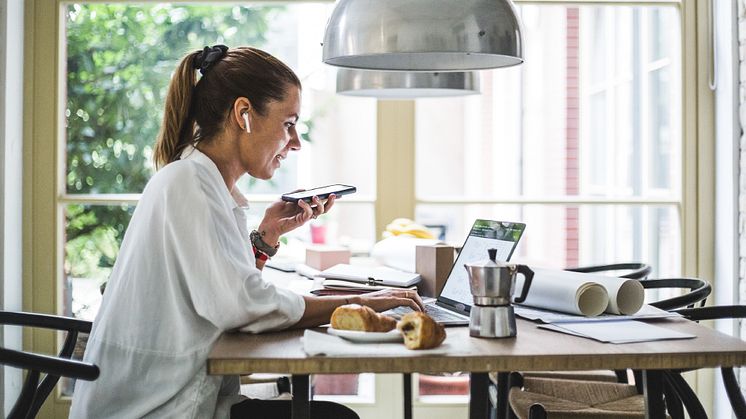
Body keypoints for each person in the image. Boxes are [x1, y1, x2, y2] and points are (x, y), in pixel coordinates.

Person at [69, 45, 424, 419]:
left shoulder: (200, 181)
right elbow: (241, 307)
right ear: (244, 114)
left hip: (183, 399)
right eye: (289, 124)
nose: (296, 142)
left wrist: (266, 237)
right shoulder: (189, 184)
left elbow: (227, 295)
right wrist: (361, 303)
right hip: (160, 410)